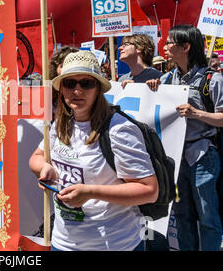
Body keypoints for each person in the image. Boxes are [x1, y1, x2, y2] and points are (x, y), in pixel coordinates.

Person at [29, 50, 158, 251]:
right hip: (63, 243)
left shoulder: (119, 129)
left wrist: (90, 192)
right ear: (61, 89)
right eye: (70, 83)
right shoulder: (61, 125)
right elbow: (37, 157)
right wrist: (44, 169)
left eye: (86, 83)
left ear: (98, 88)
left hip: (114, 244)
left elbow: (149, 190)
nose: (77, 91)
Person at [146, 25, 223, 251]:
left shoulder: (213, 79)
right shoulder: (168, 78)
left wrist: (196, 113)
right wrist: (150, 87)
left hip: (203, 157)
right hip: (176, 158)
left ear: (186, 47)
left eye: (170, 42)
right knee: (181, 215)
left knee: (208, 217)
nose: (165, 47)